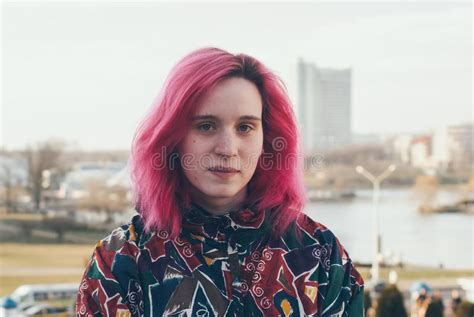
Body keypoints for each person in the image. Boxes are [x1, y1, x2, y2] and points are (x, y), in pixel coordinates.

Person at [75, 47, 364, 316]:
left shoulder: (320, 255)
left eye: (245, 127)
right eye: (206, 125)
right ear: (171, 137)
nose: (227, 148)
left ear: (268, 139)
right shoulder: (120, 262)